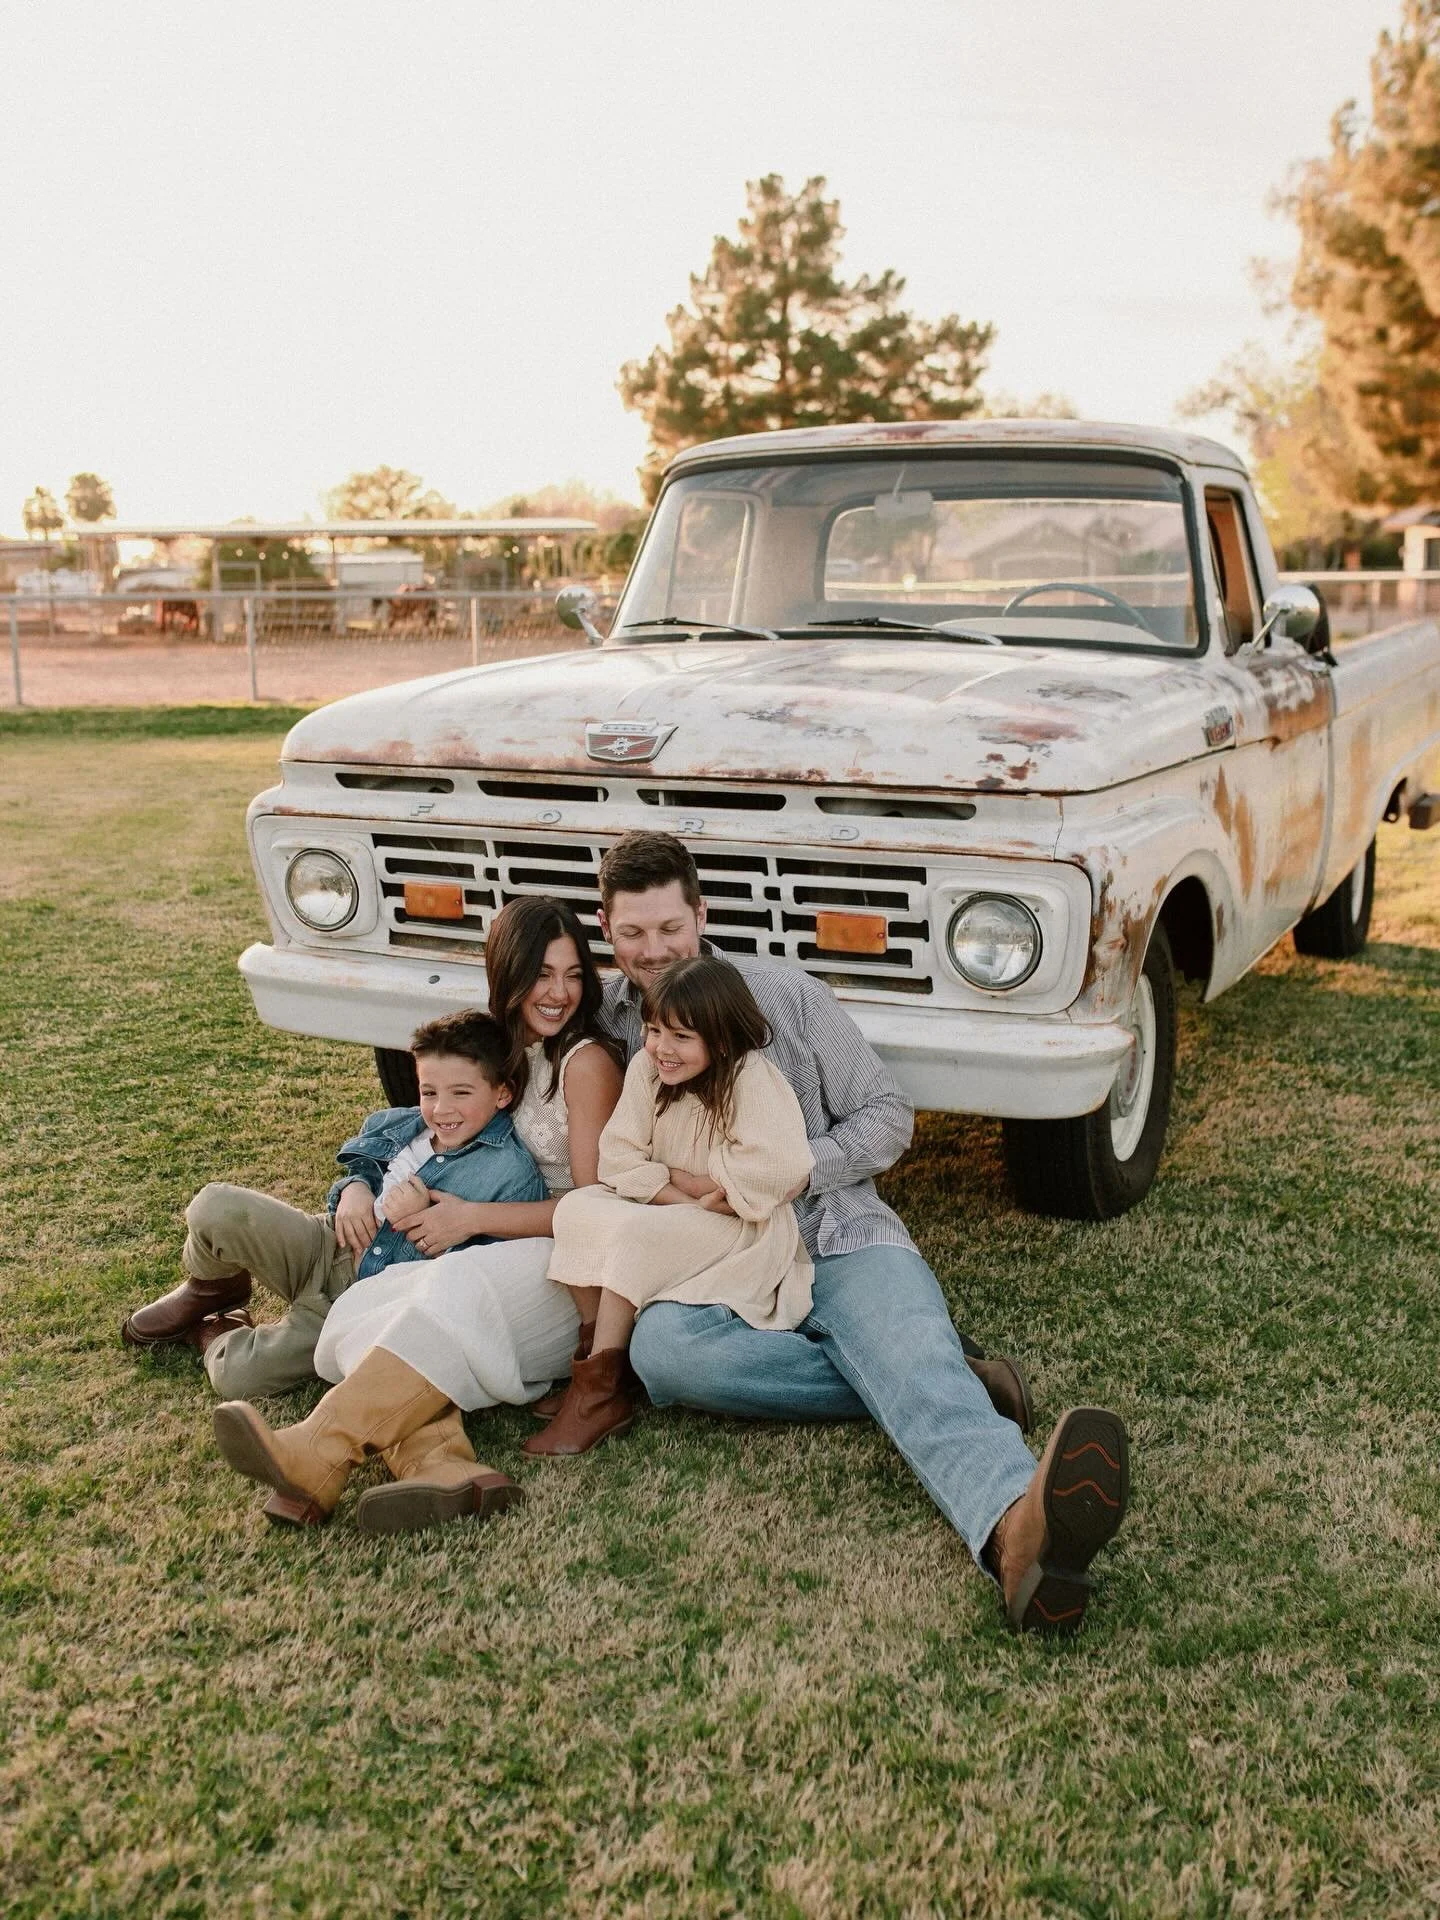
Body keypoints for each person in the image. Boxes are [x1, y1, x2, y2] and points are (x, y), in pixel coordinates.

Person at [592, 831, 1131, 1635]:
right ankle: (939, 1376)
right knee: (664, 1355)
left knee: (901, 1344)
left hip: (834, 1231)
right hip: (713, 1264)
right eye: (633, 933)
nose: (654, 949)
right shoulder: (608, 1018)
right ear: (607, 929)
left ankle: (1017, 1532)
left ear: (701, 916)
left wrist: (794, 1172)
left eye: (670, 927)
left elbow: (886, 1114)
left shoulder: (784, 994)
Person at [210, 897, 624, 1534]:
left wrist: (469, 1217)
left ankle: (319, 1450)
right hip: (492, 1241)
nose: (558, 992)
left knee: (445, 1291)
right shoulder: (505, 1049)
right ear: (508, 973)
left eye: (572, 975)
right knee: (377, 1300)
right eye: (542, 974)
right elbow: (417, 1121)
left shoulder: (584, 1061)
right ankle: (446, 1468)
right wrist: (361, 1179)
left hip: (565, 1257)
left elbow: (593, 1206)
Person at [121, 1011, 544, 1403]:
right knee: (215, 1206)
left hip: (356, 1303)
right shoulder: (406, 1123)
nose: (440, 1109)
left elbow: (487, 1282)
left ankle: (219, 1328)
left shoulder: (508, 1172)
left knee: (238, 1376)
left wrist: (417, 1220)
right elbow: (364, 1163)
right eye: (428, 1091)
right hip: (328, 1243)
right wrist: (355, 1187)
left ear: (502, 1093)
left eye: (461, 1093)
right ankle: (211, 1288)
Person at [528, 955, 814, 1456]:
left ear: (720, 1039)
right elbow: (618, 1156)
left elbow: (782, 1164)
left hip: (739, 1228)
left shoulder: (749, 1076)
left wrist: (708, 1180)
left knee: (636, 1236)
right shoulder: (648, 1068)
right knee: (575, 1209)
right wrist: (680, 1190)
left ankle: (598, 1395)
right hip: (678, 1207)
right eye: (655, 1030)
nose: (662, 1047)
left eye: (681, 1036)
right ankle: (601, 1365)